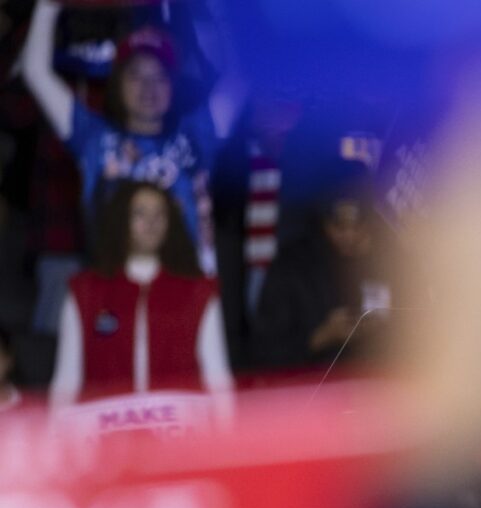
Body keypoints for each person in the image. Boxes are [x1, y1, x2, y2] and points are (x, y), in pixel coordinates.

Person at [20, 0, 241, 273]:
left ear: (173, 86)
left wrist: (221, 10)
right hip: (111, 294)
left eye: (160, 76)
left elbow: (242, 75)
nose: (148, 86)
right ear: (117, 83)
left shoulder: (197, 135)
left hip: (186, 296)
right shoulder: (93, 138)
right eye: (135, 74)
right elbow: (35, 73)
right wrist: (47, 6)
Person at [50, 181, 233, 410]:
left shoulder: (198, 290)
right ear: (120, 220)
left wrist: (228, 439)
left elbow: (218, 377)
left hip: (183, 434)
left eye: (160, 214)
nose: (151, 222)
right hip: (105, 433)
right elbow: (67, 380)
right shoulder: (86, 291)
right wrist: (56, 440)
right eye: (140, 213)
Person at [248, 175, 388, 369]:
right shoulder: (291, 265)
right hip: (311, 389)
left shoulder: (387, 259)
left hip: (377, 384)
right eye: (338, 225)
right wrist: (321, 337)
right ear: (323, 220)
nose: (349, 234)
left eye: (358, 224)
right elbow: (263, 354)